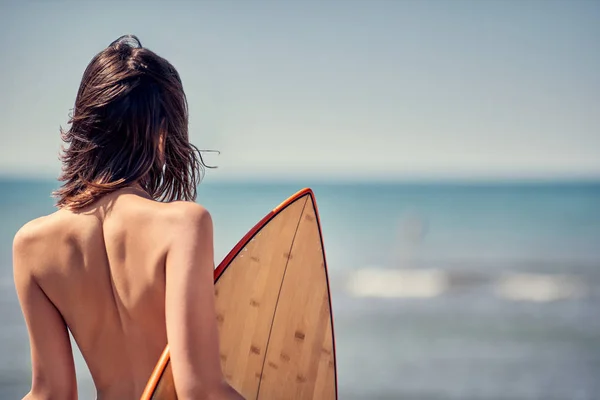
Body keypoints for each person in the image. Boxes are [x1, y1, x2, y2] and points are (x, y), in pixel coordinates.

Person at [12, 35, 244, 400]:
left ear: (86, 126)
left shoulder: (30, 244)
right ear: (163, 134)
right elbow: (199, 390)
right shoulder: (183, 225)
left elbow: (50, 394)